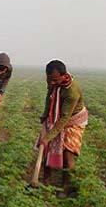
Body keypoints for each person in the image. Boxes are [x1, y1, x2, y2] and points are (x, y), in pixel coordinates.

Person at [35, 60, 88, 198]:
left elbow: (64, 119)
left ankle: (66, 187)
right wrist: (45, 114)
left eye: (54, 80)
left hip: (73, 120)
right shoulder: (52, 82)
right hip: (55, 115)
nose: (51, 83)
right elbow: (49, 97)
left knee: (67, 153)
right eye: (49, 79)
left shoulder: (72, 92)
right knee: (47, 148)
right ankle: (44, 183)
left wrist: (46, 138)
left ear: (64, 76)